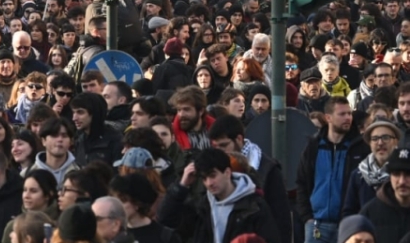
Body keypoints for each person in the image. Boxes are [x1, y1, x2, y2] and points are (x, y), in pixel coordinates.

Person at [156, 148, 280, 243]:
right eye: (204, 178)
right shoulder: (202, 207)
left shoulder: (254, 206)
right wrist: (182, 185)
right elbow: (165, 220)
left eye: (213, 175)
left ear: (227, 172)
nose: (209, 183)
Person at [207, 115, 291, 243]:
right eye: (216, 147)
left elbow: (281, 218)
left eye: (223, 145)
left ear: (239, 139)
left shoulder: (267, 168)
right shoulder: (215, 170)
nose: (219, 151)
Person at [296, 97, 369, 243]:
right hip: (316, 224)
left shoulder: (360, 147)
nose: (348, 118)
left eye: (349, 113)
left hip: (348, 225)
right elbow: (302, 182)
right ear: (328, 117)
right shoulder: (314, 146)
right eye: (342, 114)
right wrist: (307, 217)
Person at [344, 120, 402, 217]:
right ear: (369, 143)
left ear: (395, 141)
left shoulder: (404, 173)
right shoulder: (358, 174)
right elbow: (349, 211)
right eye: (375, 138)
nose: (380, 143)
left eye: (386, 137)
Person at [359, 148, 410, 243]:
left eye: (408, 174)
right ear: (390, 176)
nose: (402, 181)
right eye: (396, 174)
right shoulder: (370, 212)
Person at [109, 173, 172, 243]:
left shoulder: (164, 236)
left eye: (122, 201)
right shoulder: (111, 235)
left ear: (137, 203)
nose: (116, 205)